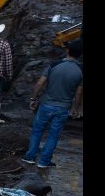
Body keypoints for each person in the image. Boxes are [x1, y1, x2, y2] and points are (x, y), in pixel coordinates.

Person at [21, 39, 83, 168]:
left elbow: (39, 83)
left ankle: (30, 157)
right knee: (53, 135)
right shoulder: (80, 70)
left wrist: (33, 99)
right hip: (63, 108)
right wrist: (75, 109)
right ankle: (44, 161)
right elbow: (78, 93)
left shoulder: (54, 65)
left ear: (67, 50)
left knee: (37, 131)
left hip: (46, 104)